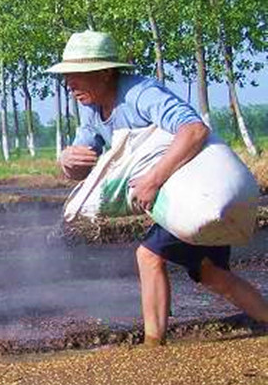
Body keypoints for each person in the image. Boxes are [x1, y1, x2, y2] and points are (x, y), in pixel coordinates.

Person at [47, 30, 268, 346]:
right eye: (68, 76)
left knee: (148, 255)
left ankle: (154, 346)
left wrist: (153, 179)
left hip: (193, 190)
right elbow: (81, 164)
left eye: (78, 76)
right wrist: (67, 160)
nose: (70, 84)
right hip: (185, 201)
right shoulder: (91, 108)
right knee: (212, 274)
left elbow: (193, 130)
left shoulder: (141, 94)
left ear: (106, 72)